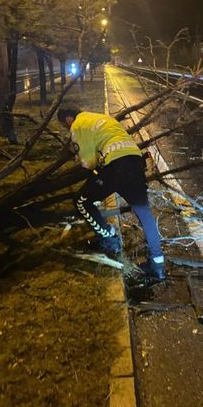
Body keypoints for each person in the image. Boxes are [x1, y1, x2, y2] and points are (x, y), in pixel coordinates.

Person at [56, 108, 166, 280]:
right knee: (144, 212)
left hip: (116, 166)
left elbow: (88, 163)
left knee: (81, 200)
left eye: (64, 125)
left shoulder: (78, 125)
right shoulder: (101, 118)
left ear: (68, 119)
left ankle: (109, 240)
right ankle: (157, 266)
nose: (66, 129)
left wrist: (82, 163)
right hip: (135, 161)